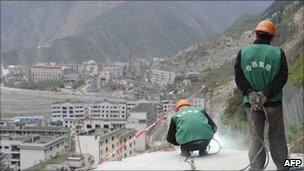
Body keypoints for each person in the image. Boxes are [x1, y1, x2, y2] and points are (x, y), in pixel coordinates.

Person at [234, 19, 288, 170]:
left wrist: (250, 92)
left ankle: (256, 168)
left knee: (256, 140)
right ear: (271, 37)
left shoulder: (243, 53)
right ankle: (284, 167)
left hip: (252, 106)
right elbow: (282, 77)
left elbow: (239, 77)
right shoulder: (278, 53)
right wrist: (266, 93)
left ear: (256, 34)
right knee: (277, 139)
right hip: (274, 104)